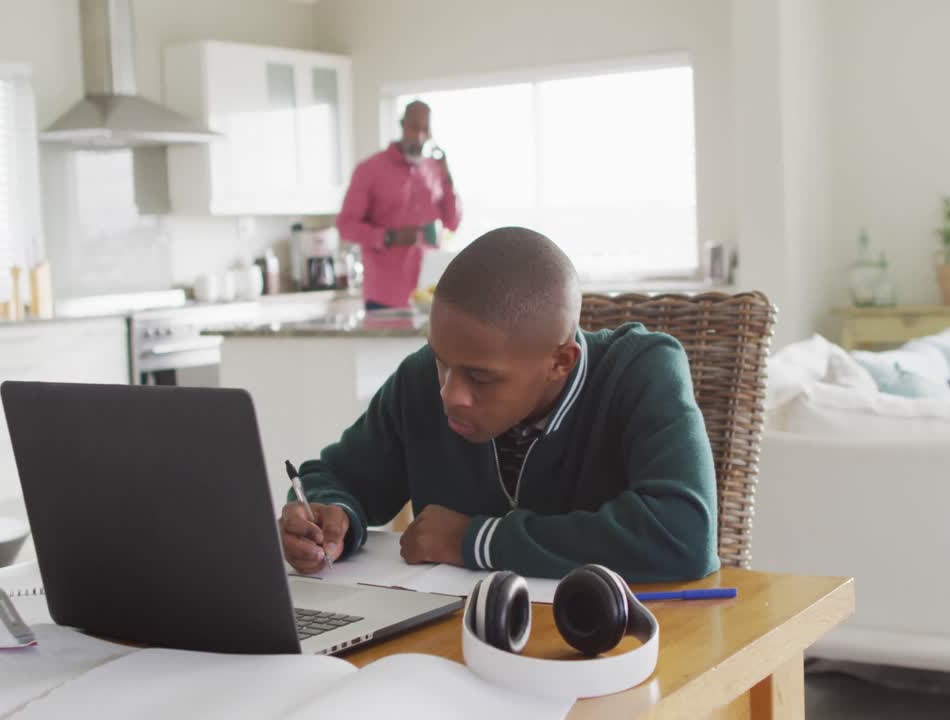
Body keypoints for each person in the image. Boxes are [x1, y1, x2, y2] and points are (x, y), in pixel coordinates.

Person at [279, 227, 718, 583]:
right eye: (441, 362)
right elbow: (334, 476)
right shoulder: (420, 381)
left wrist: (475, 541)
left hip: (614, 652)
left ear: (560, 362)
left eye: (481, 377)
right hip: (453, 649)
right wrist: (332, 514)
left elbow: (683, 533)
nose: (450, 394)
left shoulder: (642, 371)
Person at [336, 100, 462, 311]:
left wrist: (447, 176)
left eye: (425, 129)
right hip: (385, 296)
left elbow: (453, 222)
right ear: (402, 125)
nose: (419, 136)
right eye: (414, 127)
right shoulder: (370, 170)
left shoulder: (434, 170)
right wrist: (389, 236)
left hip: (429, 295)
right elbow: (345, 226)